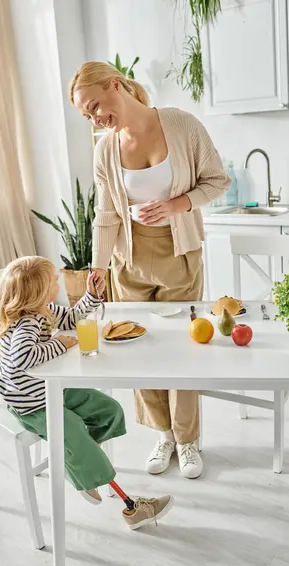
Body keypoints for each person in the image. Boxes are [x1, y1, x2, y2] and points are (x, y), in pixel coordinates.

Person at [69, 62, 231, 480]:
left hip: (180, 253)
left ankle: (188, 438)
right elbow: (105, 214)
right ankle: (163, 434)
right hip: (129, 260)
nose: (95, 118)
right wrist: (98, 265)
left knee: (183, 348)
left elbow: (217, 180)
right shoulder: (105, 147)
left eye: (94, 106)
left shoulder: (180, 125)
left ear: (115, 85)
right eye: (87, 115)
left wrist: (177, 205)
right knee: (138, 348)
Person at [0, 256, 173, 529]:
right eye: (53, 280)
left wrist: (90, 295)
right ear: (38, 291)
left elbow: (73, 318)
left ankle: (76, 456)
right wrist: (60, 345)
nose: (58, 281)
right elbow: (22, 358)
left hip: (51, 389)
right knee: (73, 428)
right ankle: (128, 505)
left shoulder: (44, 309)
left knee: (108, 410)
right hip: (30, 404)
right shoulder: (26, 324)